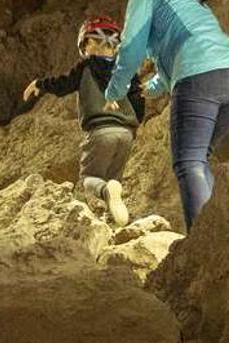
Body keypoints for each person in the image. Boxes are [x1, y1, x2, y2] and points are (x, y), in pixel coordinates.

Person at [104, 0, 229, 229]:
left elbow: (132, 46)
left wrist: (115, 90)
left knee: (189, 163)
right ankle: (221, 233)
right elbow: (187, 46)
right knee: (199, 159)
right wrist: (154, 86)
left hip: (201, 79)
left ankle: (203, 246)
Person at [23, 15, 145, 226]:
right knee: (114, 177)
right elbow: (138, 101)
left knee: (90, 178)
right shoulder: (127, 71)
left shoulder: (86, 67)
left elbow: (63, 84)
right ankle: (113, 218)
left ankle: (107, 192)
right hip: (125, 134)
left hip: (100, 131)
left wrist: (40, 84)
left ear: (87, 44)